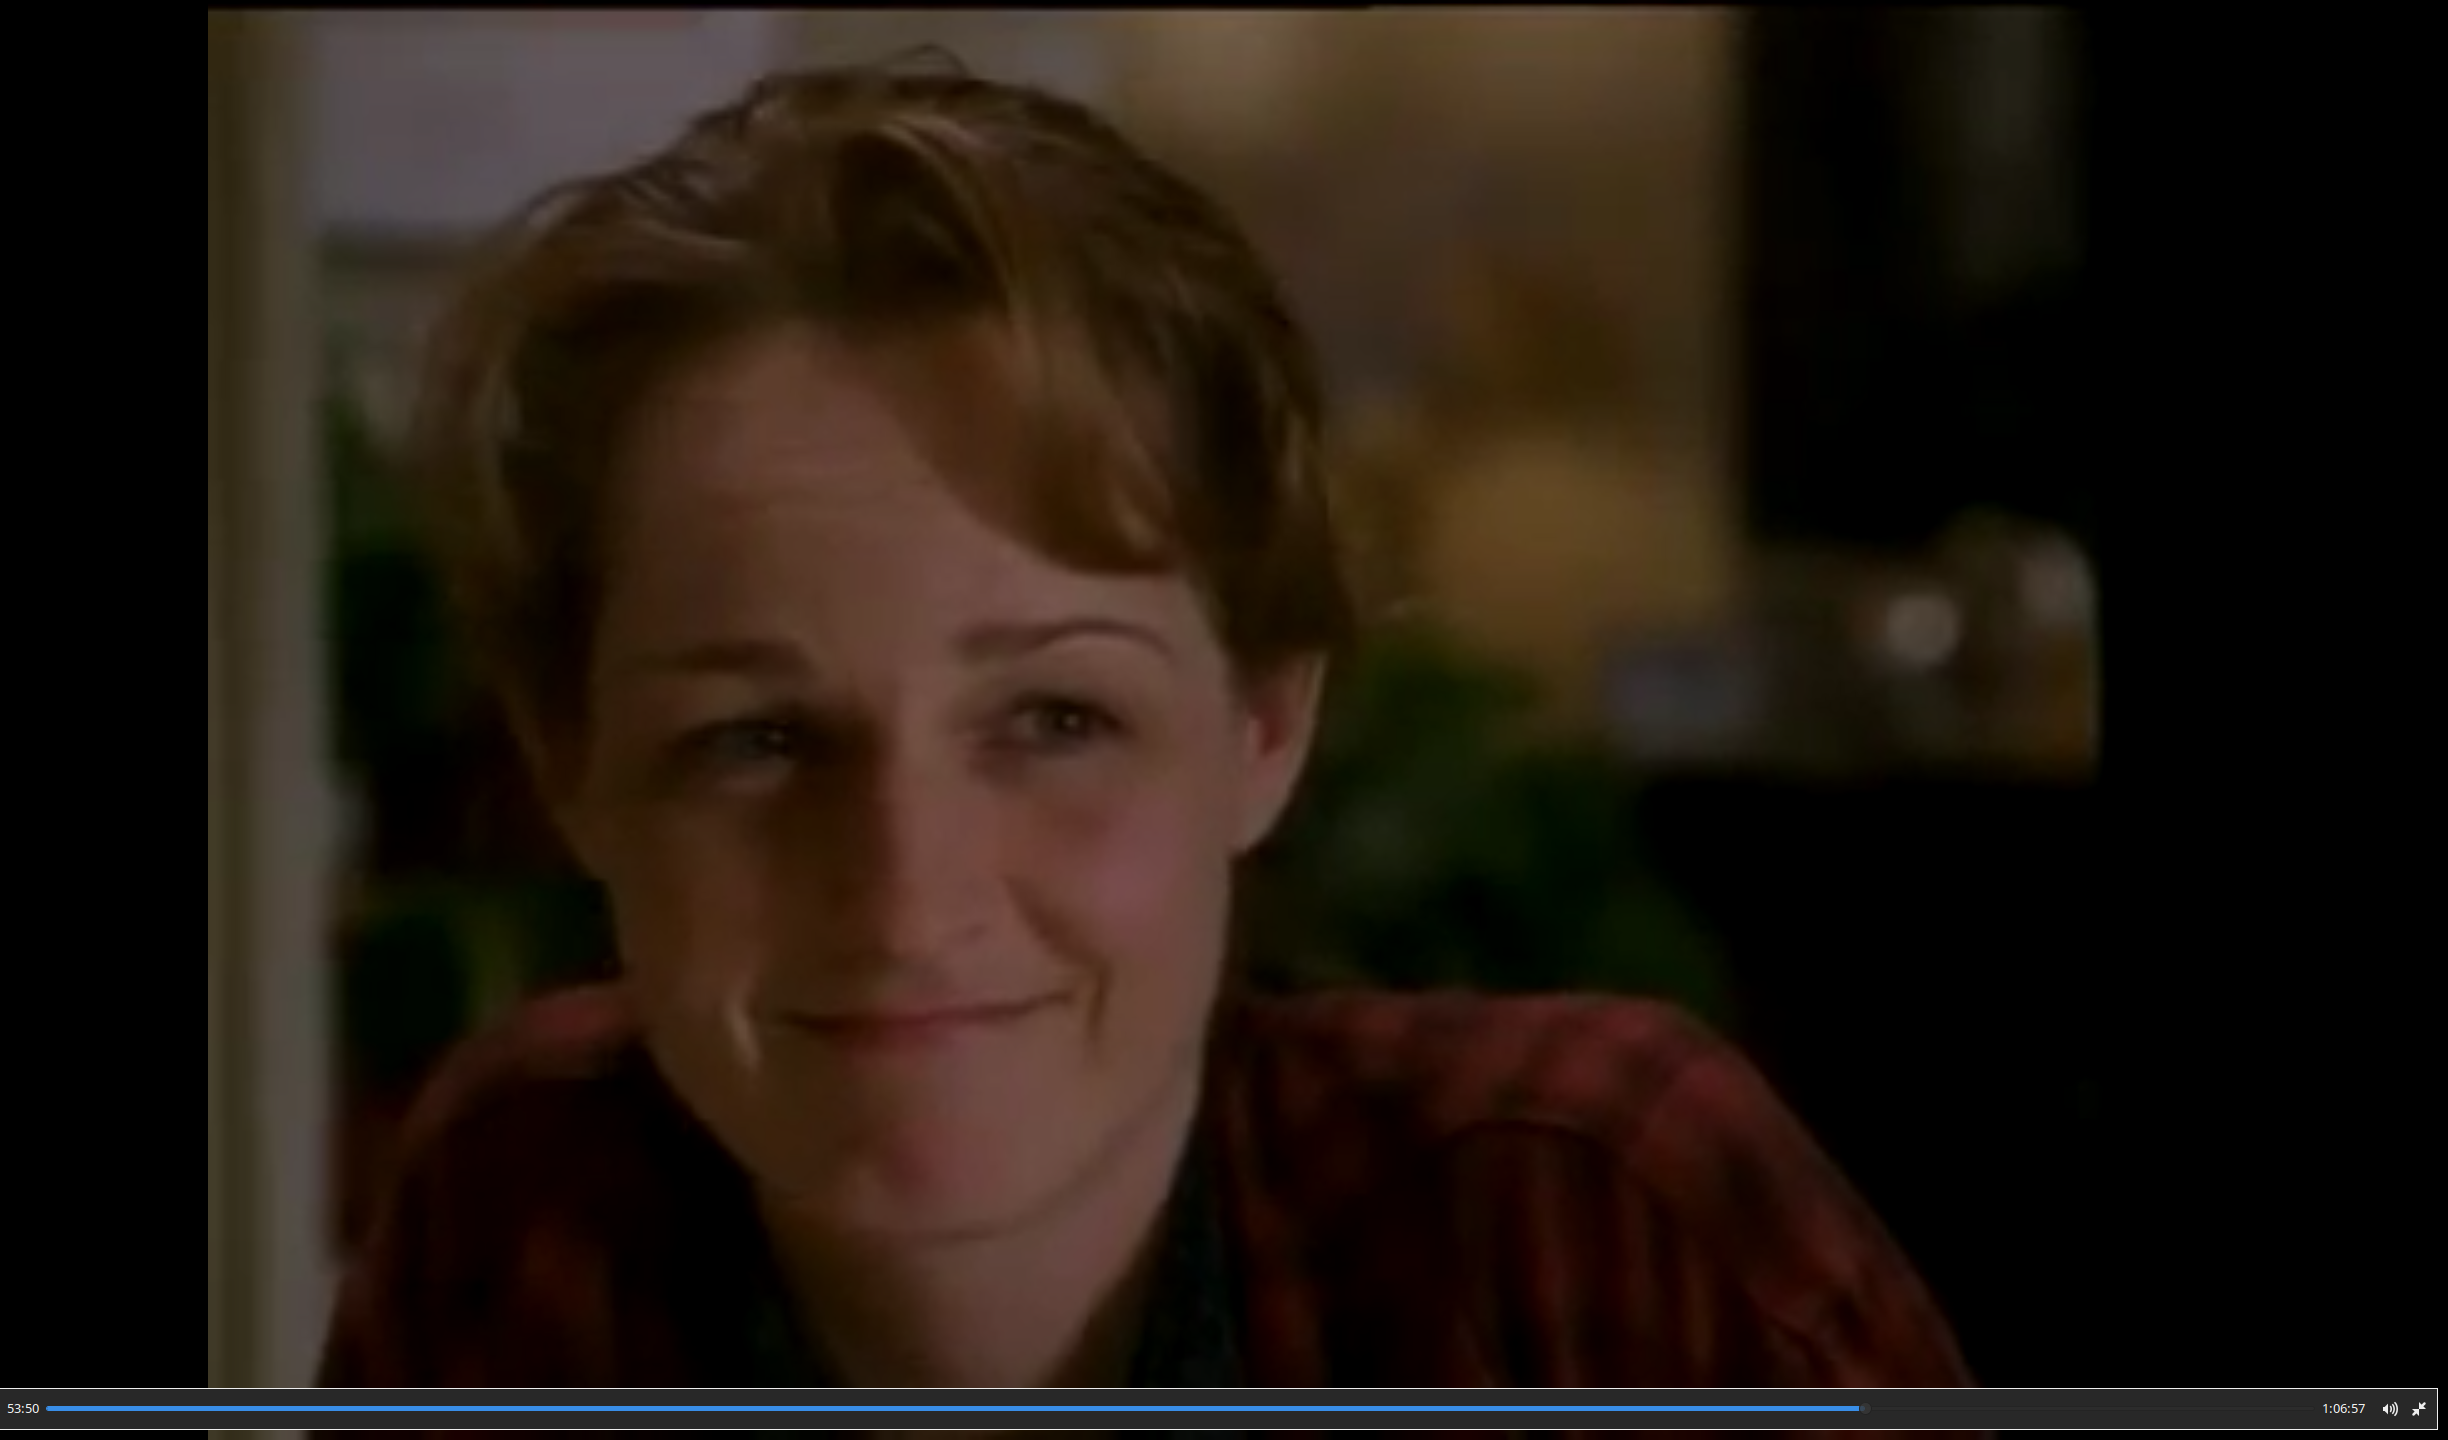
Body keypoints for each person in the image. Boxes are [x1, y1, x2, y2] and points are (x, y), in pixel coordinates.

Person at [320, 59, 1974, 1398]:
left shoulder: (1585, 1226)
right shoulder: (527, 1220)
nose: (905, 899)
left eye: (1056, 718)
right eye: (757, 740)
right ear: (570, 761)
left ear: (1265, 721)